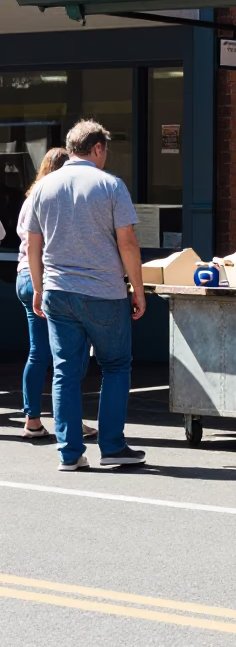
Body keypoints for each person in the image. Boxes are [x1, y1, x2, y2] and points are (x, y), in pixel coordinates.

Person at [25, 120, 147, 471]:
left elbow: (33, 245)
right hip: (103, 293)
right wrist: (138, 291)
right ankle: (111, 448)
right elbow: (127, 243)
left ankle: (69, 453)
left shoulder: (44, 186)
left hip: (58, 291)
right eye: (105, 149)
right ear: (96, 148)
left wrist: (38, 287)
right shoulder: (111, 185)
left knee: (64, 372)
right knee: (116, 366)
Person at [15, 147, 93, 440]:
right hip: (50, 280)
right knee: (73, 353)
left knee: (39, 352)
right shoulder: (56, 199)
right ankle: (71, 421)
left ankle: (32, 419)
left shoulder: (30, 198)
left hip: (24, 277)